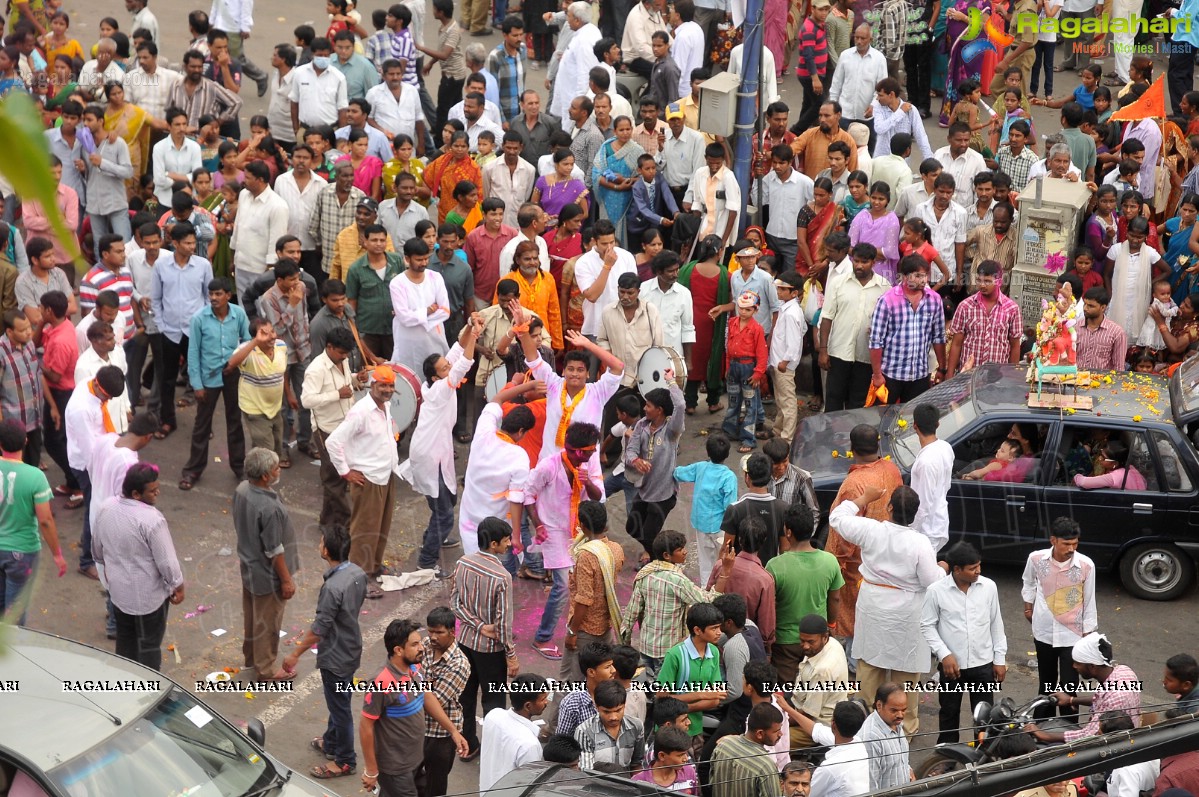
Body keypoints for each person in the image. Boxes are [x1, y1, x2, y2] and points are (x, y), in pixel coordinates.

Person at [829, 482, 943, 737]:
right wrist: (943, 569)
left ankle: (866, 728)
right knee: (905, 680)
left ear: (889, 508)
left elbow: (837, 517)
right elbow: (931, 581)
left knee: (869, 672)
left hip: (874, 608)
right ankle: (905, 730)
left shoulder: (872, 530)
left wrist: (863, 498)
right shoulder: (920, 543)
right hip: (907, 614)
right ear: (915, 514)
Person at [279, 526, 367, 779]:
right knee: (339, 699)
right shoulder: (357, 573)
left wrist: (294, 654)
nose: (319, 545)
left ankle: (345, 760)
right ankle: (331, 743)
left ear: (326, 550)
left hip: (336, 655)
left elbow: (319, 629)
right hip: (351, 648)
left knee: (340, 708)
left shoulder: (332, 588)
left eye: (321, 542)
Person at [359, 619, 471, 796]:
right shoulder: (381, 682)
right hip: (396, 769)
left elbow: (427, 696)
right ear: (398, 650)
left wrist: (453, 731)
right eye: (415, 644)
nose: (422, 648)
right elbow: (366, 726)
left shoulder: (414, 667)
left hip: (416, 760)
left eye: (420, 642)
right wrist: (371, 770)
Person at [325, 365, 401, 598]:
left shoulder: (384, 406)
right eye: (383, 385)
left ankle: (374, 565)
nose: (387, 390)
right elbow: (333, 442)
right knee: (363, 531)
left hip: (384, 475)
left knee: (380, 526)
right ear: (373, 385)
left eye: (391, 386)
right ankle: (358, 579)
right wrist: (346, 472)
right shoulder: (361, 411)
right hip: (367, 479)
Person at [922, 542, 1007, 744]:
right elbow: (927, 625)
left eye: (979, 566)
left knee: (984, 716)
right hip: (952, 668)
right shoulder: (936, 591)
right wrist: (944, 654)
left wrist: (999, 658)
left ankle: (983, 758)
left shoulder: (989, 587)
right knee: (949, 713)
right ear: (957, 570)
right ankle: (947, 757)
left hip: (983, 664)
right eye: (972, 568)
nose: (978, 571)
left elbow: (996, 623)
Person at [452, 517, 521, 762]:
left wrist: (477, 625)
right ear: (493, 544)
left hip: (464, 644)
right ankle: (494, 751)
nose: (509, 544)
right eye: (506, 540)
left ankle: (468, 744)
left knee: (465, 697)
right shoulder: (502, 577)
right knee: (493, 703)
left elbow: (455, 603)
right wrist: (511, 656)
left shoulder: (462, 563)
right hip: (490, 652)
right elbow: (503, 626)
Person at [1021, 517, 1098, 720]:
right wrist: (1028, 607)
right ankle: (1041, 729)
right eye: (1066, 544)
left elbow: (1089, 601)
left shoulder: (1086, 565)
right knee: (1046, 682)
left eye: (1075, 543)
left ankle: (1069, 731)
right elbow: (1028, 582)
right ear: (1053, 540)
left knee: (1069, 686)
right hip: (1043, 632)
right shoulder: (1036, 559)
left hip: (1072, 636)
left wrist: (1088, 635)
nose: (1071, 548)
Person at [233, 446, 298, 681]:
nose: (278, 470)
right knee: (268, 623)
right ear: (264, 476)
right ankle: (266, 669)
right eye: (275, 468)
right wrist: (286, 580)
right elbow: (274, 550)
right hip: (267, 574)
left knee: (253, 617)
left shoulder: (242, 490)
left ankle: (252, 658)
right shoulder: (268, 507)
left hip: (249, 567)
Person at [621, 531, 729, 670]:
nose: (685, 552)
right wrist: (725, 572)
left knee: (651, 685)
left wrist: (626, 642)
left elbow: (631, 613)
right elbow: (707, 600)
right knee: (667, 689)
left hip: (646, 647)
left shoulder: (646, 573)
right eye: (680, 550)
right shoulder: (677, 580)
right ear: (667, 555)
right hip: (668, 651)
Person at [181, 278, 249, 490]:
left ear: (228, 295)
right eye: (211, 294)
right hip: (208, 378)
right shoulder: (199, 319)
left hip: (233, 375)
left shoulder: (238, 314)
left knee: (235, 422)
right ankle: (193, 470)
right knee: (202, 425)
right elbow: (193, 353)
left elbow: (247, 343)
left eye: (219, 294)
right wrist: (197, 385)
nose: (214, 298)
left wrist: (236, 363)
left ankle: (239, 467)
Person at [768, 506, 845, 683]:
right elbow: (835, 598)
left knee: (786, 692)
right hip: (817, 638)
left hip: (785, 642)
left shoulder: (775, 565)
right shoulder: (830, 561)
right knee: (814, 687)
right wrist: (831, 624)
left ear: (788, 532)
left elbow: (768, 606)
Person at [0, 420, 65, 626]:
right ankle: (13, 654)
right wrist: (57, 554)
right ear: (26, 441)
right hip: (22, 553)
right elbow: (45, 520)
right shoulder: (35, 477)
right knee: (15, 613)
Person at [301, 324, 366, 528]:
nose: (345, 357)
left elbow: (345, 381)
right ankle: (347, 524)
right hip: (326, 430)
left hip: (345, 426)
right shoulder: (316, 370)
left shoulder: (342, 361)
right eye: (341, 353)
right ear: (329, 347)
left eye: (347, 353)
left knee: (335, 478)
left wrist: (356, 379)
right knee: (334, 479)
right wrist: (337, 394)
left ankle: (326, 520)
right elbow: (307, 400)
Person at [1025, 632, 1142, 743]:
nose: (1074, 666)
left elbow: (1088, 736)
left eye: (1078, 663)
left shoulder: (1115, 699)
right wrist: (1071, 700)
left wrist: (1045, 735)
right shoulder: (1124, 671)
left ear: (1092, 667)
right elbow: (1102, 698)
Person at [868, 254, 947, 403]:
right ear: (904, 277)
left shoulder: (934, 299)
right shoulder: (887, 300)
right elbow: (876, 341)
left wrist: (942, 369)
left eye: (925, 275)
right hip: (890, 375)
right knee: (884, 419)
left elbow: (939, 337)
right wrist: (877, 375)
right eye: (918, 276)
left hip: (920, 375)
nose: (924, 280)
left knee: (912, 421)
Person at [675, 433, 739, 582]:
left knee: (705, 564)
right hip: (721, 528)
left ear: (708, 452)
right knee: (723, 562)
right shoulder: (729, 477)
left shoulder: (700, 467)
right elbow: (729, 507)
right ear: (727, 454)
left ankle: (706, 591)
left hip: (701, 524)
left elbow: (679, 473)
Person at [786, 616, 850, 749]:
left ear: (824, 637)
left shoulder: (823, 670)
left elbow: (808, 714)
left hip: (819, 725)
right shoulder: (831, 642)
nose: (805, 646)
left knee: (775, 740)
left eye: (810, 642)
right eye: (802, 641)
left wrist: (781, 723)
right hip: (805, 702)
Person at [480, 674, 550, 790]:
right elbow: (529, 784)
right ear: (528, 706)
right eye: (543, 699)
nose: (546, 702)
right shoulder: (529, 745)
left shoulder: (493, 715)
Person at [719, 452, 789, 564]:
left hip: (739, 574)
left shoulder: (734, 509)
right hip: (767, 575)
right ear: (770, 476)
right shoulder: (783, 508)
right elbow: (785, 549)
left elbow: (726, 549)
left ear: (747, 477)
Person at [722, 291, 768, 453]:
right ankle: (729, 430)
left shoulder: (757, 329)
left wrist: (757, 374)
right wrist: (728, 366)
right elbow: (728, 347)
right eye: (741, 308)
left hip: (748, 368)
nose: (743, 312)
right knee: (733, 401)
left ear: (755, 310)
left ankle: (748, 438)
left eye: (748, 309)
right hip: (734, 366)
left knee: (750, 405)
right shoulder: (733, 322)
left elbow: (762, 354)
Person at [710, 703, 785, 797]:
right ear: (760, 734)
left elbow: (711, 782)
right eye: (776, 731)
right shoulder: (765, 765)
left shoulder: (723, 744)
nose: (780, 734)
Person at [908, 404, 954, 554]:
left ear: (915, 425)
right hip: (937, 521)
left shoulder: (926, 462)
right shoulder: (945, 447)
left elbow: (923, 502)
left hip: (927, 530)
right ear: (937, 424)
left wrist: (911, 530)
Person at [768, 271, 806, 442]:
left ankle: (786, 438)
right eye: (779, 288)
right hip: (779, 362)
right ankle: (778, 431)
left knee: (787, 401)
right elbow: (803, 329)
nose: (779, 292)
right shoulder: (789, 309)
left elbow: (794, 340)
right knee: (781, 399)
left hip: (784, 364)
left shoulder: (791, 313)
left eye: (783, 289)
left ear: (794, 292)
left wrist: (785, 360)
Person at [575, 680, 645, 770]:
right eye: (606, 712)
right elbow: (587, 773)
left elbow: (637, 764)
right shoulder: (584, 732)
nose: (613, 717)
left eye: (618, 710)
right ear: (596, 707)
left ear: (624, 705)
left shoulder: (636, 727)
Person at [859, 683, 914, 789]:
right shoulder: (871, 738)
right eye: (894, 710)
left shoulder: (895, 723)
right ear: (879, 705)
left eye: (903, 710)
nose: (900, 715)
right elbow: (871, 786)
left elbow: (902, 760)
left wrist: (909, 772)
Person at [1076, 287, 1128, 372]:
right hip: (1076, 380)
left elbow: (1119, 368)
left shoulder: (1117, 333)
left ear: (1103, 308)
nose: (1085, 308)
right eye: (1084, 304)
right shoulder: (1075, 327)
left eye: (1091, 306)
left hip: (1103, 382)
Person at [1074, 439, 1147, 490]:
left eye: (1103, 457)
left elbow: (1083, 482)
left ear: (1115, 463)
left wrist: (1076, 477)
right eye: (1100, 454)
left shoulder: (1114, 478)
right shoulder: (1130, 468)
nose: (1099, 458)